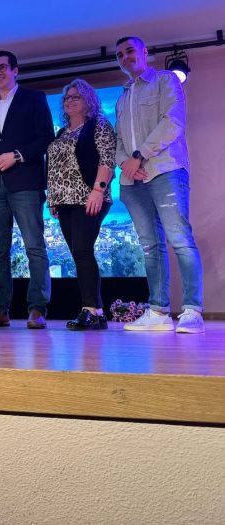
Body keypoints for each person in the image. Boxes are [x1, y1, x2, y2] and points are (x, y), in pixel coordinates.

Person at [114, 36, 204, 333]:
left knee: (180, 239)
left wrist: (139, 156)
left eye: (130, 50)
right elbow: (118, 141)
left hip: (165, 170)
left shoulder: (166, 80)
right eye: (119, 54)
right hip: (132, 180)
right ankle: (158, 311)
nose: (125, 57)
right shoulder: (122, 97)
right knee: (150, 246)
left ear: (144, 52)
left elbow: (173, 122)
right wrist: (126, 163)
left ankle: (192, 311)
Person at [0, 50, 55, 329]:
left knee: (34, 246)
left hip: (26, 183)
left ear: (15, 70)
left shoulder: (35, 98)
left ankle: (37, 309)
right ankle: (0, 310)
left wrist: (17, 156)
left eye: (3, 67)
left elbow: (46, 138)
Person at [47, 79, 116, 330]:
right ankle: (96, 312)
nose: (70, 101)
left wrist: (98, 191)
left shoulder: (98, 124)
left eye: (75, 96)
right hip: (64, 201)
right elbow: (55, 168)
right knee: (79, 253)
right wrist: (53, 198)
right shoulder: (61, 133)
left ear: (88, 100)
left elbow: (107, 159)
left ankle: (91, 309)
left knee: (82, 250)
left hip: (89, 198)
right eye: (67, 97)